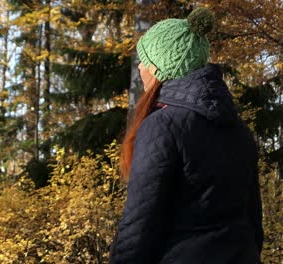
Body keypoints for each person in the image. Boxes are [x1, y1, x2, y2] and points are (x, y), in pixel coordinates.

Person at [109, 7, 263, 264]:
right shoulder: (239, 129)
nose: (140, 69)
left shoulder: (162, 125)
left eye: (144, 61)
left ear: (160, 68)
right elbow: (253, 221)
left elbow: (139, 224)